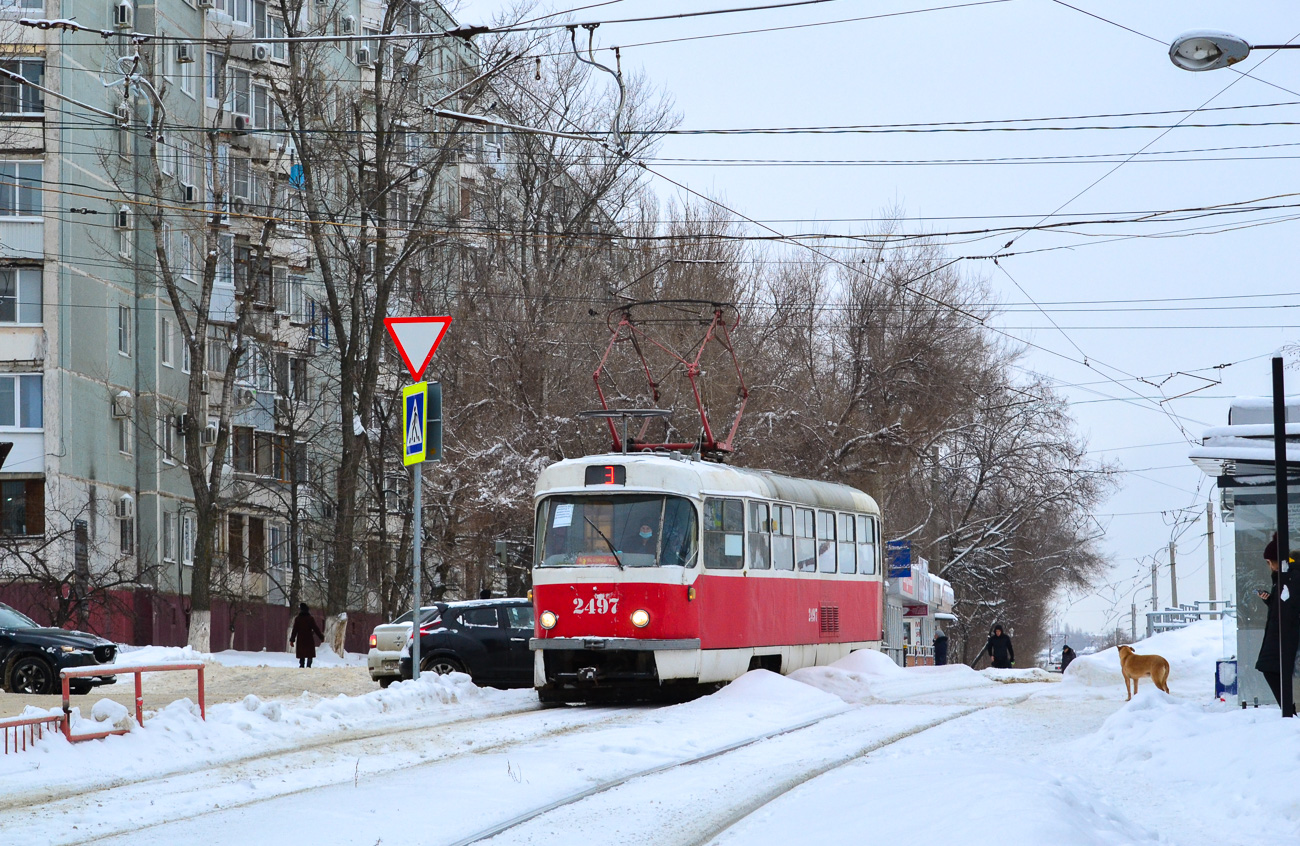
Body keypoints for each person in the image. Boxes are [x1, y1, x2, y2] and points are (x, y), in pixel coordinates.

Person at [1256, 533, 1298, 717]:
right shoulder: (1282, 577)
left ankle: (1289, 711)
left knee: (1271, 670)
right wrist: (1270, 600)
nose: (1268, 566)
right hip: (1280, 636)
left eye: (1269, 561)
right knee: (1272, 670)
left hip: (1284, 637)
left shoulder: (1291, 577)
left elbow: (1291, 607)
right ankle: (1289, 710)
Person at [289, 602, 324, 669]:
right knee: (309, 653)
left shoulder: (298, 619)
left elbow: (294, 630)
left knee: (302, 653)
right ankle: (309, 665)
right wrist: (321, 637)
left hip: (301, 639)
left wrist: (292, 640)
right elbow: (316, 628)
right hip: (309, 638)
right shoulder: (310, 618)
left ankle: (302, 665)